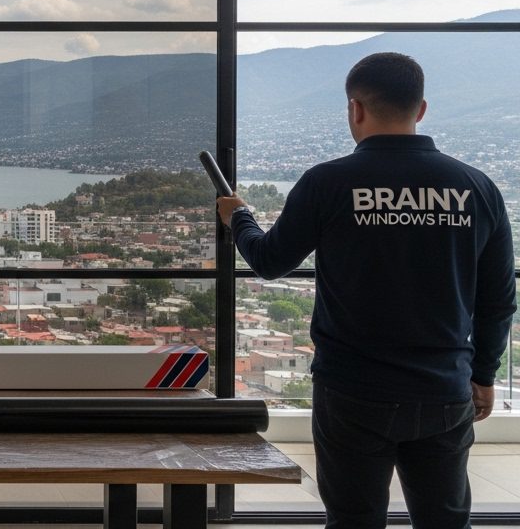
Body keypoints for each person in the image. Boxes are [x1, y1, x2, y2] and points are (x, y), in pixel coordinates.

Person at [217, 51, 515, 529]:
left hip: (351, 391)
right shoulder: (476, 187)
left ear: (355, 108)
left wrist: (240, 219)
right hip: (443, 387)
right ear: (421, 109)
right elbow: (498, 299)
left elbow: (270, 261)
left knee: (354, 520)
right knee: (445, 521)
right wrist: (482, 374)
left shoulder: (328, 182)